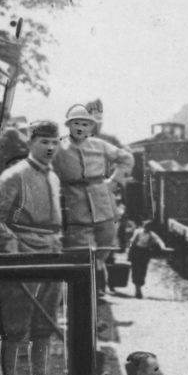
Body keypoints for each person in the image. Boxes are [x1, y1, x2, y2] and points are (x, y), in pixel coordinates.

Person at [0, 120, 65, 375]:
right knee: (13, 327)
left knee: (45, 323)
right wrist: (12, 248)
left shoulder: (53, 177)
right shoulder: (14, 176)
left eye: (55, 142)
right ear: (30, 142)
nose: (51, 147)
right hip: (23, 255)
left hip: (51, 253)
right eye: (44, 142)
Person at [55, 103, 134, 298]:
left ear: (91, 127)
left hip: (102, 198)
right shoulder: (59, 147)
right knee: (81, 248)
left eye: (84, 124)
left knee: (106, 239)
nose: (80, 128)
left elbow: (127, 158)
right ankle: (88, 289)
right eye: (75, 123)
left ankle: (97, 272)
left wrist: (114, 181)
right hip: (74, 199)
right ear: (69, 126)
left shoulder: (100, 145)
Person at [127, 220, 168, 299]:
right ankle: (137, 289)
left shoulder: (151, 234)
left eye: (149, 227)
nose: (147, 228)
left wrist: (163, 247)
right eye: (146, 226)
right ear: (143, 226)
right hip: (136, 251)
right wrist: (129, 252)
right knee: (135, 269)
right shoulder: (138, 232)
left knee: (143, 270)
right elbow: (132, 241)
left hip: (144, 253)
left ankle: (139, 286)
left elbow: (158, 240)